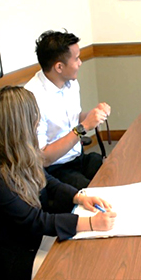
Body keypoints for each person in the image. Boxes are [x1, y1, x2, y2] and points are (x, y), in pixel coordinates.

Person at [0, 86, 116, 280]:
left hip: (34, 240)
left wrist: (79, 196)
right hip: (15, 256)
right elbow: (34, 221)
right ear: (19, 126)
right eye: (34, 120)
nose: (37, 125)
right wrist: (89, 223)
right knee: (83, 275)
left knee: (91, 256)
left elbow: (45, 179)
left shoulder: (16, 153)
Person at [25, 29, 110, 189]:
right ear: (59, 67)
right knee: (95, 194)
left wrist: (93, 116)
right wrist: (84, 127)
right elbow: (44, 158)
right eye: (76, 59)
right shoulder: (32, 99)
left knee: (113, 171)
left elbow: (74, 118)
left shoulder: (71, 83)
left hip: (77, 157)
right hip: (54, 170)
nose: (80, 63)